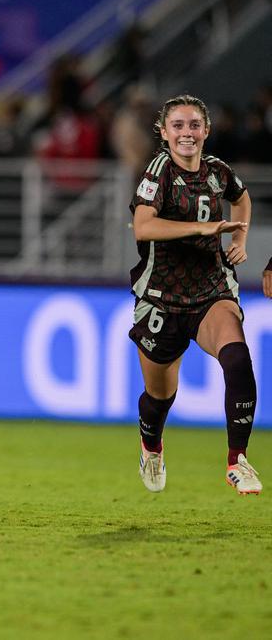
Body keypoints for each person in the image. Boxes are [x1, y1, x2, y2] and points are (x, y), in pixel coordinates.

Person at [129, 94, 261, 495]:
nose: (187, 133)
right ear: (164, 132)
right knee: (159, 396)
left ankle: (236, 460)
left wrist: (239, 234)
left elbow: (241, 197)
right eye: (178, 126)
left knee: (237, 359)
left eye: (194, 125)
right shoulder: (158, 172)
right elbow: (143, 227)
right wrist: (201, 229)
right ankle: (152, 446)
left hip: (210, 291)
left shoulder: (218, 171)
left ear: (206, 130)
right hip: (160, 297)